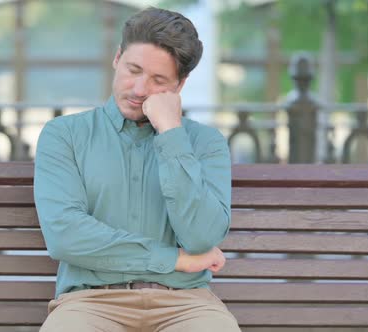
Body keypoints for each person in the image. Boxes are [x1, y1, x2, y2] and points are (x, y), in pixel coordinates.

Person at [34, 6, 240, 332]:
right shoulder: (65, 135)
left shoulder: (205, 143)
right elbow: (65, 236)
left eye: (158, 80)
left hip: (186, 303)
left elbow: (202, 237)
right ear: (117, 58)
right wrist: (173, 260)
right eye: (133, 69)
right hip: (89, 303)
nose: (140, 89)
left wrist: (172, 134)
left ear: (180, 84)